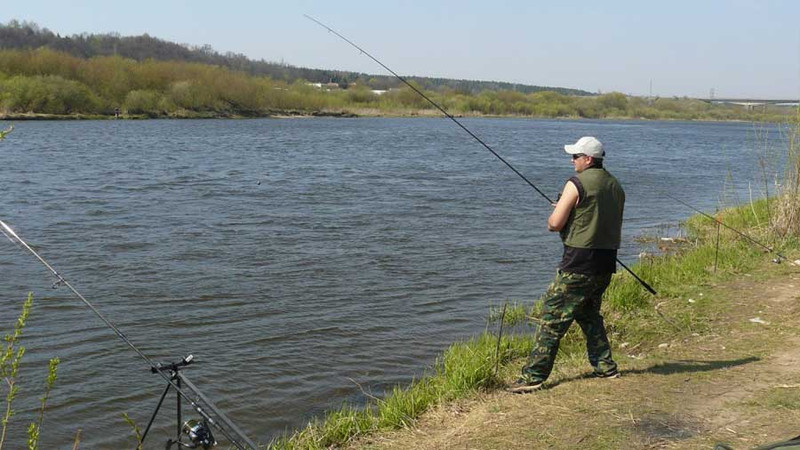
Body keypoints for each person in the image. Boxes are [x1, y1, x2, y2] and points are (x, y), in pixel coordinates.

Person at [508, 136, 625, 394]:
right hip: (605, 264)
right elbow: (597, 215)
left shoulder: (576, 183)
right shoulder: (615, 185)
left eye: (575, 156)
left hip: (578, 265)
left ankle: (533, 377)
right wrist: (568, 206)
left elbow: (554, 224)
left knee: (551, 319)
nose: (572, 161)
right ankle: (606, 367)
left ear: (588, 159)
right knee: (588, 316)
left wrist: (561, 208)